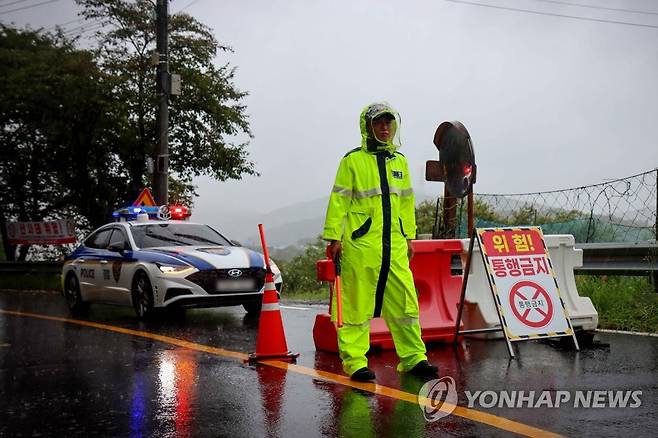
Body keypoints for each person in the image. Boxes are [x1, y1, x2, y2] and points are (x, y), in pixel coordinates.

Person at [322, 102, 439, 382]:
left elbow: (406, 202)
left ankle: (414, 358)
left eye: (388, 123)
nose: (385, 128)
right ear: (368, 127)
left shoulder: (399, 161)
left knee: (405, 304)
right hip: (362, 245)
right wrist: (333, 236)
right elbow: (339, 200)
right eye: (379, 124)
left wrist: (408, 235)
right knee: (355, 305)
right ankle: (355, 362)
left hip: (396, 246)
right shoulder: (352, 161)